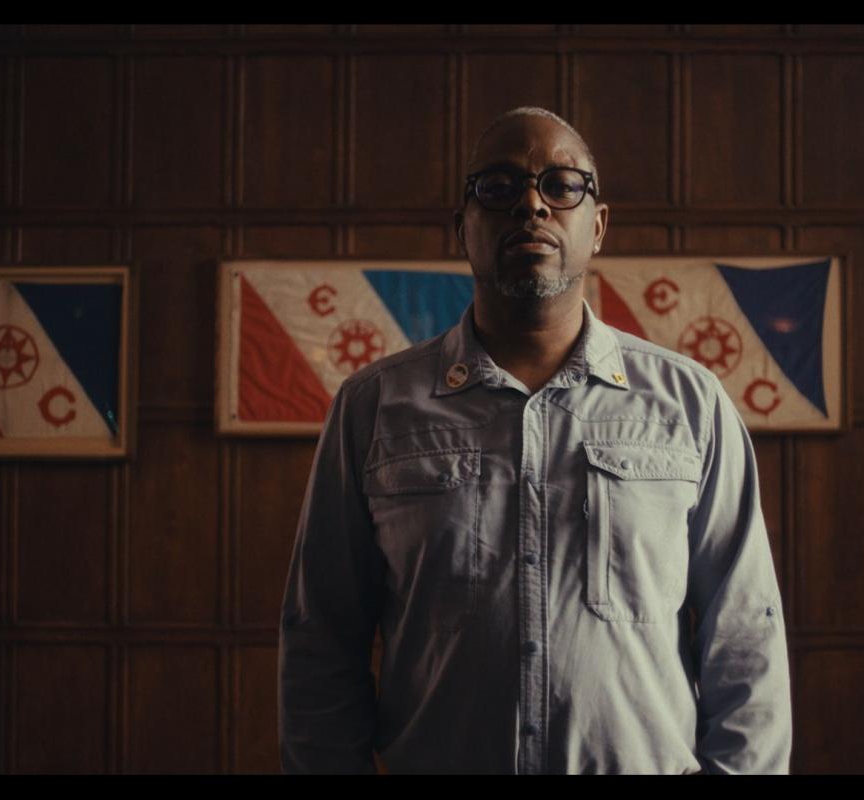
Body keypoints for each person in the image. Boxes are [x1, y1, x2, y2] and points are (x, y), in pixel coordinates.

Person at [278, 106, 791, 774]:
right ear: (462, 224)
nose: (531, 205)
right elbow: (322, 640)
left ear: (597, 225)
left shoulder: (690, 404)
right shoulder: (373, 407)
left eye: (561, 185)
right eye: (499, 187)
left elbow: (746, 632)